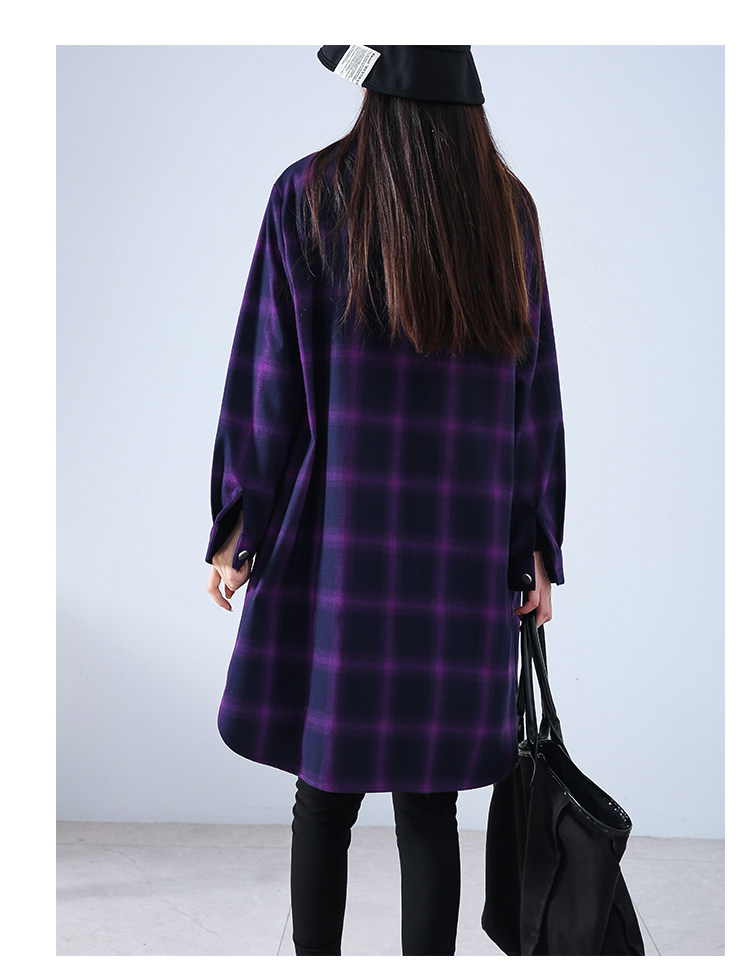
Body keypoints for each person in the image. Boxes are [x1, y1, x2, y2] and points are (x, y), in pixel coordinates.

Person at [205, 45, 566, 957]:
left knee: (323, 798)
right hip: (458, 555)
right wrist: (533, 543)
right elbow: (533, 394)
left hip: (339, 554)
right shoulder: (507, 213)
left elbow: (268, 381)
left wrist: (240, 522)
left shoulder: (309, 196)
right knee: (430, 805)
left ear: (374, 83)